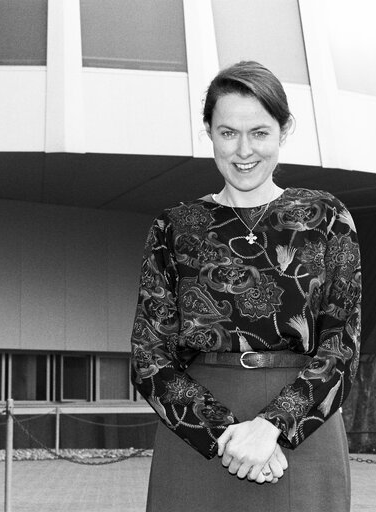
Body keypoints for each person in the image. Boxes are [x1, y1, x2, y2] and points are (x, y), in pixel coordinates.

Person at [130, 60, 361, 511]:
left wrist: (273, 425)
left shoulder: (327, 218)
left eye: (259, 132)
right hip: (195, 435)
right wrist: (221, 433)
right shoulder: (174, 226)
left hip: (303, 432)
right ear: (209, 132)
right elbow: (148, 354)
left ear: (284, 129)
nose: (243, 150)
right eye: (227, 132)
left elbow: (343, 345)